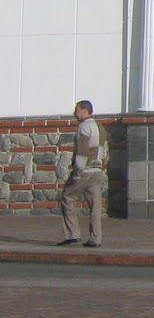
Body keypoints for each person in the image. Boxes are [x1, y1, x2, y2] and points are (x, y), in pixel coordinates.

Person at [58, 100, 106, 248]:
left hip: (85, 170)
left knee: (67, 197)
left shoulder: (84, 127)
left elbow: (82, 151)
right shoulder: (100, 127)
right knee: (95, 206)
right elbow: (104, 150)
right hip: (97, 170)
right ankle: (95, 238)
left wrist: (77, 172)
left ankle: (72, 235)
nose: (74, 113)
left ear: (85, 111)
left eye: (77, 110)